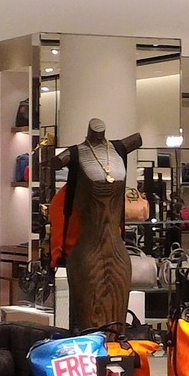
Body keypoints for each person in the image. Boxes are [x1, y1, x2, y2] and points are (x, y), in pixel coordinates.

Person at [50, 119, 142, 332]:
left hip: (118, 255)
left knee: (117, 330)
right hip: (86, 255)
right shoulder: (76, 154)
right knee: (88, 329)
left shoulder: (118, 149)